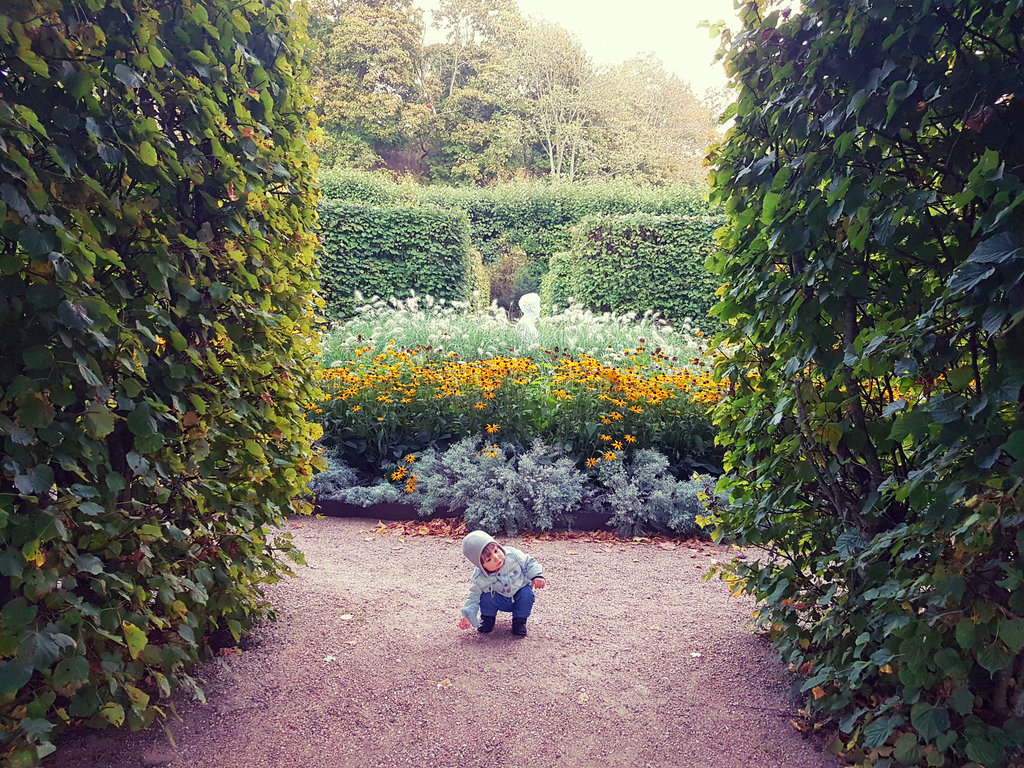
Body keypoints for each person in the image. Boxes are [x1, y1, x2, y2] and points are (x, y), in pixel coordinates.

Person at [457, 530, 545, 637]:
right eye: (489, 559)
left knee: (527, 595)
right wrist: (468, 616)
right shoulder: (479, 577)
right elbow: (473, 597)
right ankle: (488, 619)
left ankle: (519, 621)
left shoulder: (513, 555)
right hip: (499, 599)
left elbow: (529, 562)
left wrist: (536, 575)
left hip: (518, 593)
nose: (497, 558)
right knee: (485, 597)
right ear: (480, 565)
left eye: (496, 551)